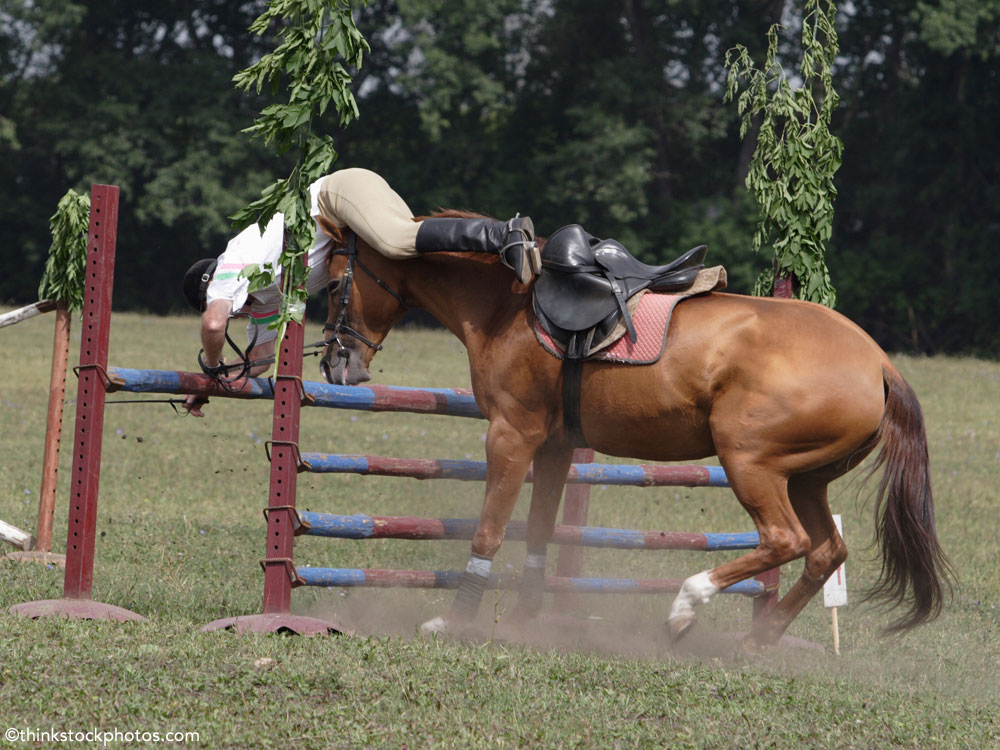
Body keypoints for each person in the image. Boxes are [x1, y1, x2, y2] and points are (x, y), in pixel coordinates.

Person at [180, 168, 538, 416]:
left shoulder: (232, 264)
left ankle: (503, 235)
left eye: (226, 307)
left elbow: (213, 325)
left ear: (210, 287)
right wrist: (212, 384)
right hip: (350, 202)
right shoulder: (264, 303)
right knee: (408, 256)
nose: (236, 315)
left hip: (337, 193)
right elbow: (258, 360)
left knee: (397, 242)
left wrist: (210, 366)